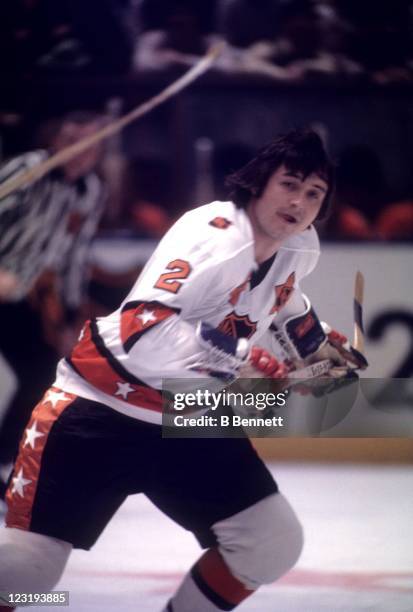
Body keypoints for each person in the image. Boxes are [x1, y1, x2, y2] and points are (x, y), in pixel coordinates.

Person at [0, 129, 364, 611]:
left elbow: (284, 300)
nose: (299, 202)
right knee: (26, 576)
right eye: (289, 184)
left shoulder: (300, 246)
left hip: (186, 415)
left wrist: (314, 348)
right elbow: (142, 330)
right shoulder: (212, 236)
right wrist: (240, 358)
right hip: (97, 412)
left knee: (269, 542)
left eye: (314, 193)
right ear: (258, 184)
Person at [0, 111, 105, 500]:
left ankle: (6, 461)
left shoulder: (90, 190)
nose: (82, 153)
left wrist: (69, 311)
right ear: (56, 141)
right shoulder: (29, 169)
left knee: (39, 374)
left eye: (91, 144)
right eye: (74, 141)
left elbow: (74, 255)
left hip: (19, 297)